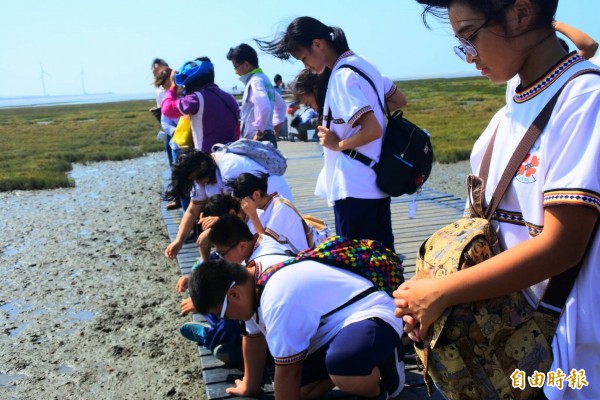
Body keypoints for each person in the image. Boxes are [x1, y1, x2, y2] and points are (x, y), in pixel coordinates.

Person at [396, 2, 599, 400]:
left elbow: (562, 246)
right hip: (510, 342)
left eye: (469, 36)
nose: (469, 55)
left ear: (522, 13)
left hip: (565, 356)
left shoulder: (583, 100)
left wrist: (441, 293)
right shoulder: (518, 96)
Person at [189, 215, 406, 399]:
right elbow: (253, 337)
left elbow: (288, 373)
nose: (227, 318)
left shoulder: (276, 298)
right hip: (333, 327)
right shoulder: (248, 278)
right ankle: (360, 363)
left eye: (222, 313)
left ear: (233, 294)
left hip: (371, 313)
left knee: (343, 366)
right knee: (297, 391)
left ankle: (383, 382)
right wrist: (250, 386)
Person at [256, 17, 407, 251]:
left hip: (354, 186)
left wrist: (338, 143)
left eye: (303, 58)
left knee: (358, 264)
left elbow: (372, 129)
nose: (306, 66)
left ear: (318, 44)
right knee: (383, 257)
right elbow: (398, 100)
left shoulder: (340, 76)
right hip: (377, 179)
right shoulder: (363, 62)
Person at [163, 148, 293, 260]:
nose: (198, 182)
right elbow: (192, 210)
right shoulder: (201, 175)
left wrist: (218, 224)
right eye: (193, 180)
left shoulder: (229, 169)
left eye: (197, 178)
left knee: (266, 241)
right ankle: (208, 262)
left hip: (269, 199)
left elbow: (244, 207)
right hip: (246, 208)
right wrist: (179, 240)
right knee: (207, 221)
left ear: (204, 167)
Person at [161, 57, 240, 153]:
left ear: (191, 83)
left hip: (208, 158)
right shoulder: (230, 98)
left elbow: (167, 109)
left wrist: (173, 86)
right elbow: (237, 130)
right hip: (231, 154)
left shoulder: (195, 99)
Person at [227, 172, 309, 253]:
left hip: (302, 256)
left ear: (256, 195)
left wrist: (253, 215)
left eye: (242, 201)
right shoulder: (265, 209)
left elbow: (267, 244)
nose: (242, 206)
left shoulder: (280, 207)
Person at [226, 43, 278, 148]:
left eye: (235, 67)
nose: (235, 72)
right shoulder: (265, 79)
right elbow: (281, 106)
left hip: (258, 138)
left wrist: (259, 133)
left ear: (246, 65)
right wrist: (274, 129)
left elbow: (264, 107)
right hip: (268, 134)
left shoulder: (255, 81)